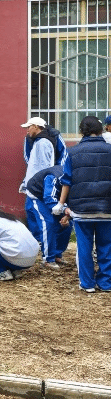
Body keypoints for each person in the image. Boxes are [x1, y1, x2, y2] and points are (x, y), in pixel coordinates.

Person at [52, 116, 111, 293]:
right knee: (107, 246)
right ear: (101, 130)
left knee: (84, 247)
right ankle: (106, 283)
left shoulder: (72, 152)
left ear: (81, 131)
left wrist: (61, 204)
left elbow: (66, 181)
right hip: (107, 207)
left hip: (81, 209)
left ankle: (87, 283)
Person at [23, 164, 71, 268]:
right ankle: (48, 259)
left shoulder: (79, 179)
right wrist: (64, 209)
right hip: (38, 195)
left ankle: (57, 254)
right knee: (48, 223)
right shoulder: (53, 177)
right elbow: (49, 198)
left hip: (58, 199)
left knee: (67, 224)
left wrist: (68, 216)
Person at [19, 117, 55, 194]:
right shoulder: (38, 142)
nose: (27, 130)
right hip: (34, 188)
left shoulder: (42, 143)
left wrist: (38, 188)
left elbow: (43, 167)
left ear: (35, 127)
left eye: (29, 127)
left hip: (37, 190)